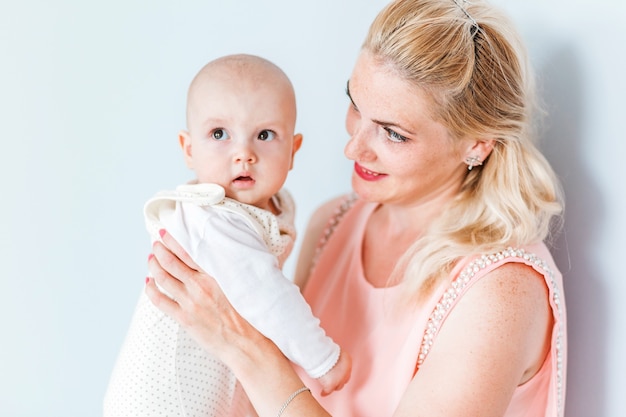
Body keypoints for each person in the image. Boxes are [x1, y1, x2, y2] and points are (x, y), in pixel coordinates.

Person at [145, 0, 567, 416]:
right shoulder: (332, 222)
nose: (353, 147)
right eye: (355, 105)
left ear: (477, 143)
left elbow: (265, 372)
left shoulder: (502, 290)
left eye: (393, 134)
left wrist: (242, 347)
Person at [104, 54, 351, 417]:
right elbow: (269, 298)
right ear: (189, 149)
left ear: (293, 150)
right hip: (166, 400)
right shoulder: (212, 219)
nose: (244, 154)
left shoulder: (266, 207)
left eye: (264, 135)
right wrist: (324, 359)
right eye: (220, 134)